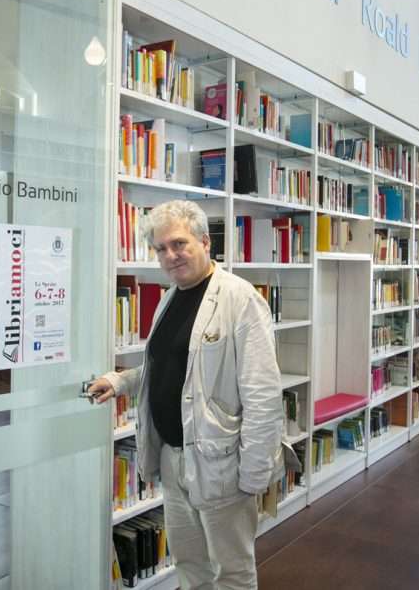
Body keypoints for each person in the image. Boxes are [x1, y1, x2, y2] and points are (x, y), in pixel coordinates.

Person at [88, 199, 284, 590]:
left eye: (179, 244)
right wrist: (121, 381)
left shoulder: (240, 299)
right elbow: (170, 368)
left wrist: (254, 474)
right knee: (190, 563)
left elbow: (263, 394)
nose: (170, 255)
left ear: (205, 242)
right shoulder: (170, 297)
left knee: (232, 571)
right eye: (161, 248)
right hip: (172, 457)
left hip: (220, 463)